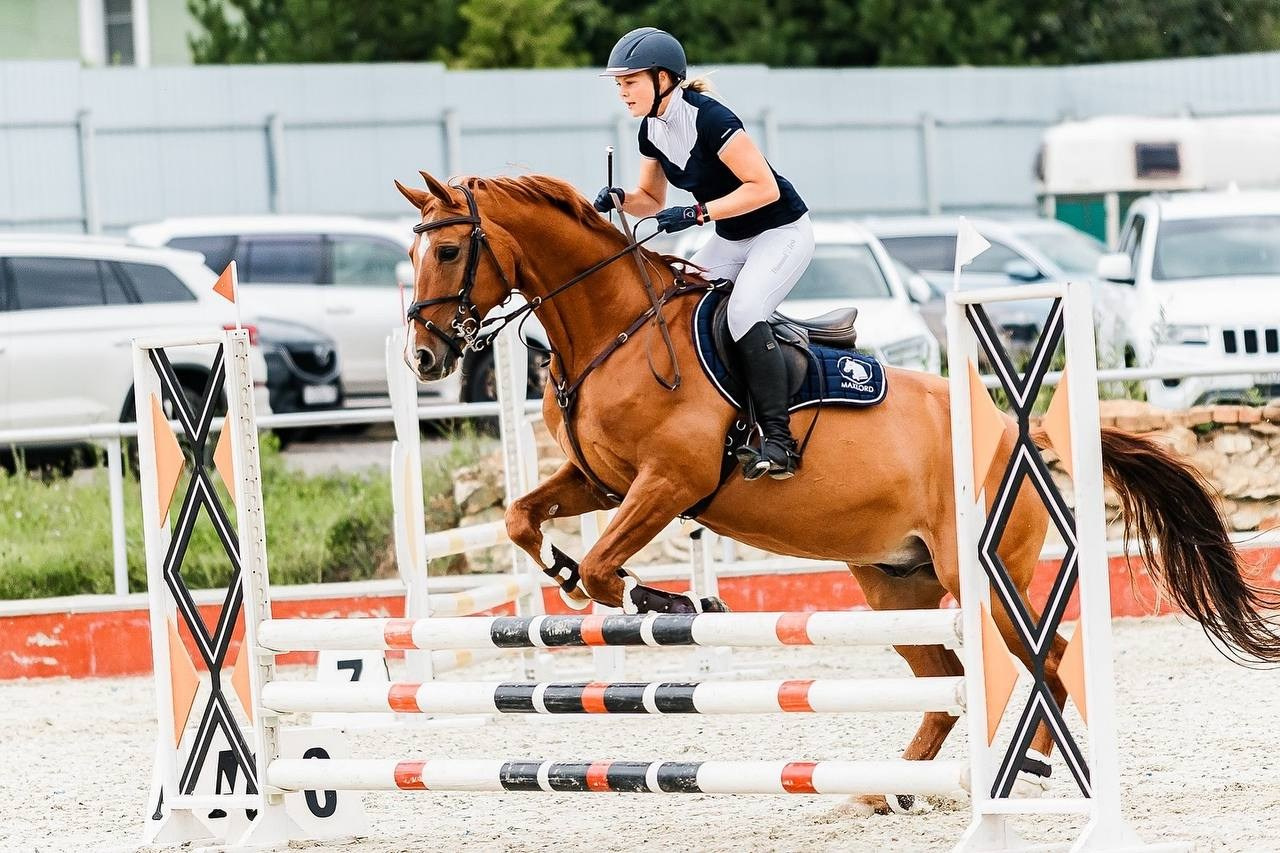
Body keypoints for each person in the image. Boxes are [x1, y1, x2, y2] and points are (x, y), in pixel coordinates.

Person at [594, 27, 814, 480]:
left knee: (743, 311)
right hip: (733, 238)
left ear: (663, 78)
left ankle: (780, 441)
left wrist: (697, 213)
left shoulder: (711, 118)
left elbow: (763, 188)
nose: (623, 92)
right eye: (619, 84)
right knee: (677, 303)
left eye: (630, 81)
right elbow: (650, 200)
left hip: (781, 231)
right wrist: (619, 199)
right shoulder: (650, 130)